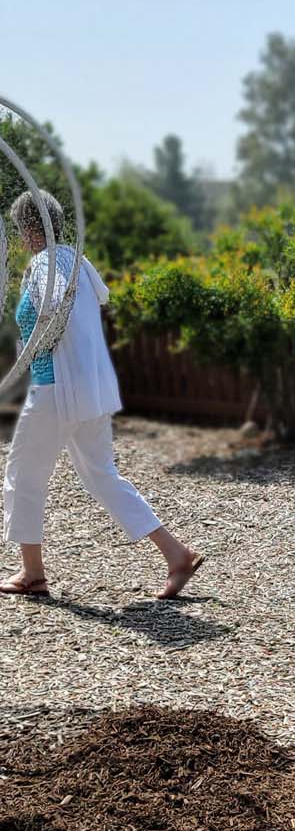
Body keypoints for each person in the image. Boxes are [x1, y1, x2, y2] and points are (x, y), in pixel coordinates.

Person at [1, 189, 203, 600]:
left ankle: (32, 574)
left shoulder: (44, 264)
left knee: (22, 475)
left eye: (22, 229)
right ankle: (176, 553)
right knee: (101, 476)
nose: (21, 238)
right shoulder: (78, 261)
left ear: (31, 228)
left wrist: (31, 347)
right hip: (90, 387)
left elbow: (53, 313)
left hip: (57, 388)